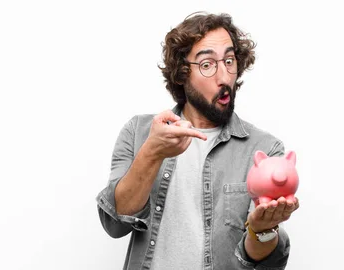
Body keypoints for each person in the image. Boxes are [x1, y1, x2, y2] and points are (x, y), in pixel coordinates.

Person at [96, 11, 300, 270]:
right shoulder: (138, 132)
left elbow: (265, 263)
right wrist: (152, 153)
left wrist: (262, 229)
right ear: (182, 73)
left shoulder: (264, 150)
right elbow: (115, 224)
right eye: (207, 65)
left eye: (229, 61)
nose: (224, 78)